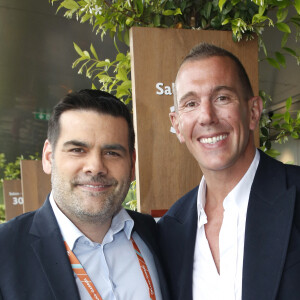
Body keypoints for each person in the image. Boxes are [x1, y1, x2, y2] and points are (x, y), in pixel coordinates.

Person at [157, 43, 300, 300]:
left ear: (253, 112)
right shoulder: (170, 229)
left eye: (222, 98)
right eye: (190, 103)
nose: (207, 116)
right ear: (177, 125)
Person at [0, 89, 169, 300]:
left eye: (112, 153)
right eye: (78, 150)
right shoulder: (5, 251)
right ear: (48, 157)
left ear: (132, 165)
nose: (96, 167)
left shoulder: (157, 236)